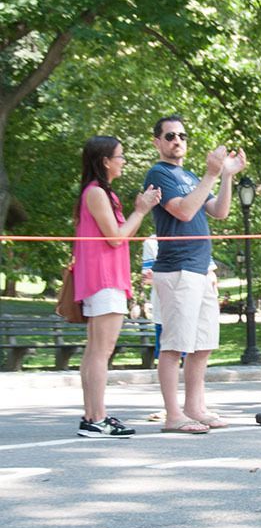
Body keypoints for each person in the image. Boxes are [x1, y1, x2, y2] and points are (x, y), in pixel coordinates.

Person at [144, 114, 246, 434]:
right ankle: (173, 415)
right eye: (170, 136)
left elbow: (220, 211)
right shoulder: (158, 173)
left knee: (203, 345)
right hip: (177, 269)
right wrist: (211, 174)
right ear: (157, 142)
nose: (177, 141)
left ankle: (194, 408)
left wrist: (225, 176)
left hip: (201, 269)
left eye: (182, 136)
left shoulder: (189, 176)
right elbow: (184, 211)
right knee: (175, 345)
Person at [73, 136, 161, 437]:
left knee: (95, 351)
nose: (123, 161)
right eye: (120, 156)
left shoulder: (97, 192)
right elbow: (115, 237)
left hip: (102, 279)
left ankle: (93, 416)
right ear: (105, 161)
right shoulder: (97, 193)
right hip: (105, 279)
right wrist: (141, 210)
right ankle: (97, 418)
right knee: (101, 351)